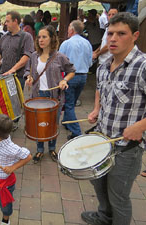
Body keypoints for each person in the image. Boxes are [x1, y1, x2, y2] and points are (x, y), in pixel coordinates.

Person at [82, 12, 146, 225]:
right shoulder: (103, 66)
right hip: (102, 140)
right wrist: (96, 109)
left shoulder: (142, 66)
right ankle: (103, 216)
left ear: (135, 35)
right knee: (98, 184)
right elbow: (101, 89)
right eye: (110, 33)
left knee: (118, 196)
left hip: (127, 149)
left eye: (121, 34)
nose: (113, 39)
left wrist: (141, 125)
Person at [24, 25, 75, 163]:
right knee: (38, 123)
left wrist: (64, 80)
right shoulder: (34, 56)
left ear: (52, 38)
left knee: (53, 123)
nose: (41, 40)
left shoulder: (60, 57)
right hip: (38, 94)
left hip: (54, 96)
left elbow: (71, 70)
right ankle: (40, 150)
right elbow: (28, 71)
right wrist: (29, 77)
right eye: (39, 37)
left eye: (44, 37)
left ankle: (52, 148)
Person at [0, 114, 31, 225]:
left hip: (5, 183)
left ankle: (5, 221)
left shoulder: (11, 148)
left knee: (5, 205)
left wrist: (13, 167)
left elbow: (28, 156)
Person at [59, 20, 93, 140]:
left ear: (72, 30)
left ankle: (76, 132)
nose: (67, 30)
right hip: (83, 76)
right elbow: (90, 62)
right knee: (71, 103)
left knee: (69, 104)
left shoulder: (66, 43)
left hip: (70, 76)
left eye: (68, 27)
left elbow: (59, 62)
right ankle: (67, 121)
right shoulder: (87, 43)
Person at [0, 11, 34, 89]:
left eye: (8, 21)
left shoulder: (26, 37)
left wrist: (12, 70)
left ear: (15, 21)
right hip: (3, 75)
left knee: (16, 101)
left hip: (17, 77)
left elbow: (27, 56)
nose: (5, 24)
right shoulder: (4, 37)